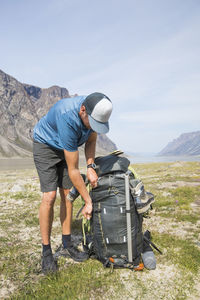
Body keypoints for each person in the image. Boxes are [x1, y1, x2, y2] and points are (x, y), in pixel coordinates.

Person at [33, 92, 113, 274]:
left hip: (65, 147)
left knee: (68, 195)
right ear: (83, 110)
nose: (93, 127)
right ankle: (46, 252)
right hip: (45, 145)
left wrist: (91, 166)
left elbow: (91, 140)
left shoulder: (94, 109)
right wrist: (88, 201)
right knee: (50, 196)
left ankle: (67, 243)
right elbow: (74, 170)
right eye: (92, 123)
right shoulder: (67, 116)